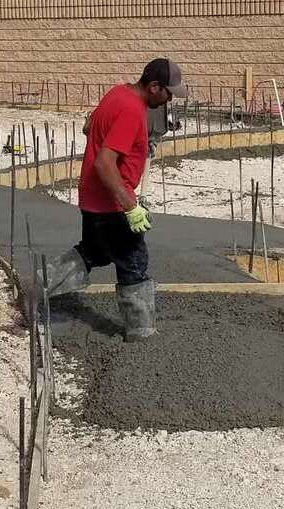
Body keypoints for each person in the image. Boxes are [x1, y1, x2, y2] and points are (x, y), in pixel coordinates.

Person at [45, 58, 185, 340]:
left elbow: (90, 128)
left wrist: (138, 146)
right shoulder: (132, 111)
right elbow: (104, 164)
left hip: (93, 199)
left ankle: (40, 286)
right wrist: (131, 207)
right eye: (169, 93)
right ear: (154, 86)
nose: (171, 99)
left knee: (94, 252)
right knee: (133, 262)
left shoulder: (117, 93)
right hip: (112, 204)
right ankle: (141, 331)